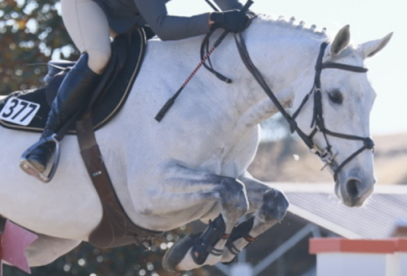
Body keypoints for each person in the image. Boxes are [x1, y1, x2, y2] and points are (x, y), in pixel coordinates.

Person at [19, 0, 252, 182]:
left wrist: (247, 20)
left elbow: (234, 10)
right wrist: (216, 19)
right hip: (89, 5)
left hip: (132, 14)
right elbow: (165, 28)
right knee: (100, 56)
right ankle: (45, 142)